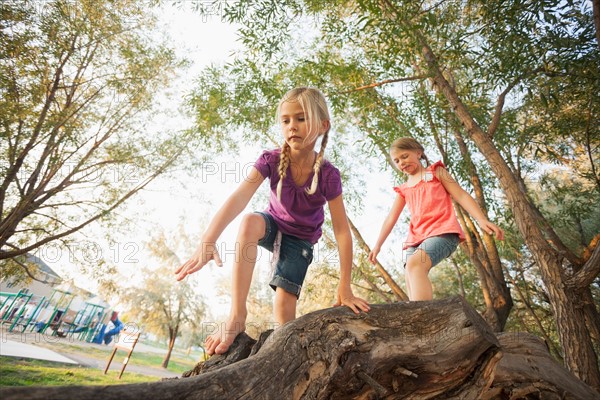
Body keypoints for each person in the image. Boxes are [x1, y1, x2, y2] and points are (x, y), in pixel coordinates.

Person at [176, 87, 370, 355]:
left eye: (301, 118)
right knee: (249, 222)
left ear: (323, 125)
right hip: (273, 225)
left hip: (300, 240)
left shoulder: (328, 175)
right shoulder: (272, 159)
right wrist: (208, 239)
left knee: (283, 308)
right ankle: (237, 314)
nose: (292, 126)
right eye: (286, 120)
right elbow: (240, 196)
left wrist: (345, 285)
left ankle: (285, 355)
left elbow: (342, 232)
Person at [368, 137, 504, 301]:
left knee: (415, 265)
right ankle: (417, 318)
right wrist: (377, 245)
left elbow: (460, 194)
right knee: (410, 273)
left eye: (404, 156)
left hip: (443, 232)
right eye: (397, 161)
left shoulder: (436, 172)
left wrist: (481, 220)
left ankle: (422, 317)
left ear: (418, 153)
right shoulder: (404, 189)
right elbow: (391, 218)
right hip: (415, 240)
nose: (401, 162)